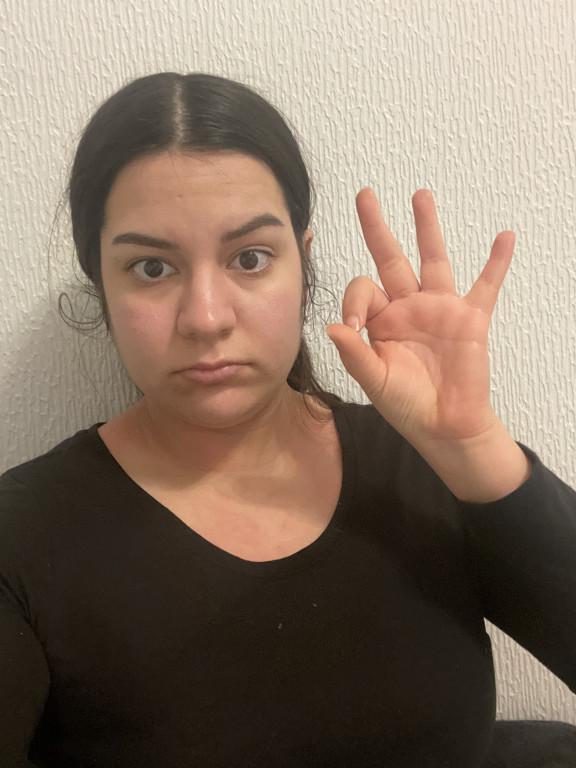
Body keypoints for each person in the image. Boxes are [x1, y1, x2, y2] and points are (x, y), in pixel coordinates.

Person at [0, 72, 574, 768]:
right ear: (102, 283)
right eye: (151, 268)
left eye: (250, 258)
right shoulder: (22, 537)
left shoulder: (426, 467)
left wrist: (472, 445)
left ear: (302, 266)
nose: (206, 317)